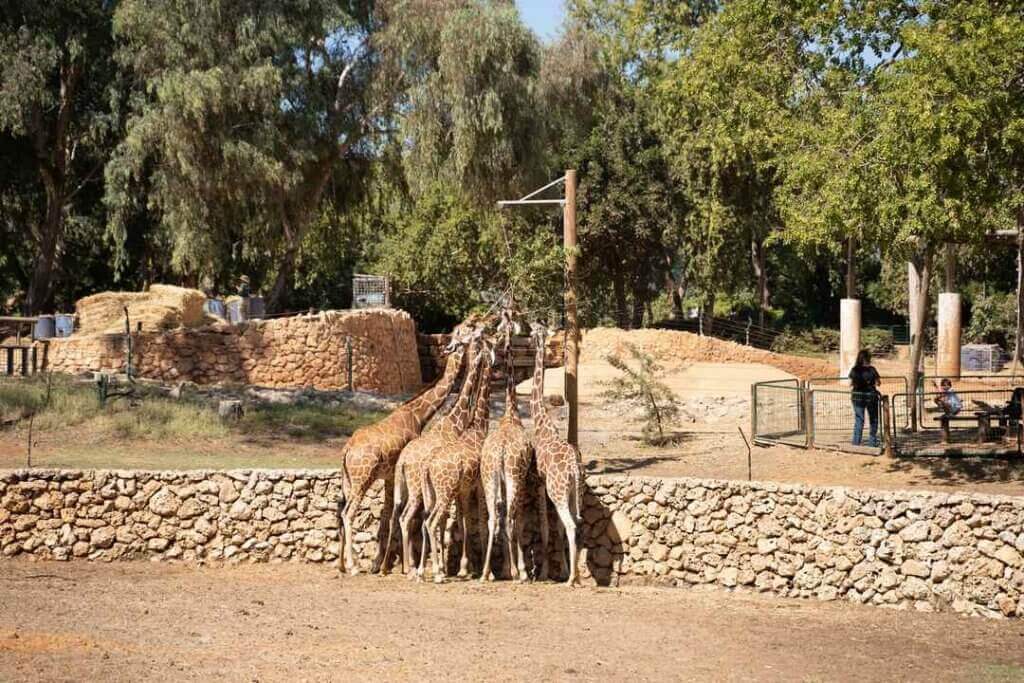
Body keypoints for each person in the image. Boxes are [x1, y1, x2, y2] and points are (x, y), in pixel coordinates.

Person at [849, 350, 881, 447]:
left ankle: (856, 442)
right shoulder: (872, 370)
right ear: (868, 358)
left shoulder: (854, 370)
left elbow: (851, 382)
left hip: (857, 397)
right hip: (870, 397)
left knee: (859, 419)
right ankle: (872, 442)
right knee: (873, 419)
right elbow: (878, 382)